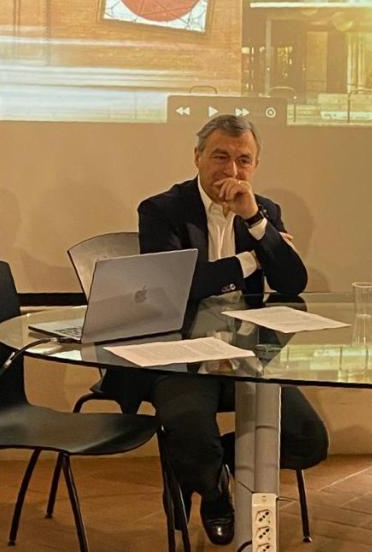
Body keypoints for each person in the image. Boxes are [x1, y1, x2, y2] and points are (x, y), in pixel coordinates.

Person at [109, 114, 328, 545]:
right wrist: (251, 260)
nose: (232, 170)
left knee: (309, 440)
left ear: (255, 165)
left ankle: (203, 465)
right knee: (190, 427)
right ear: (197, 157)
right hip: (180, 354)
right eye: (220, 156)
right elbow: (179, 288)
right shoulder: (161, 210)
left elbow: (292, 282)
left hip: (247, 354)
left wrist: (256, 221)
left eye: (243, 160)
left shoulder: (263, 211)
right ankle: (212, 495)